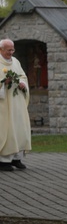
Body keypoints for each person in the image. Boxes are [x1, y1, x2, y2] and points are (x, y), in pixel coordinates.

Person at [0, 39, 31, 171]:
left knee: (19, 127)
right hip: (4, 103)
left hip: (17, 101)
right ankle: (3, 160)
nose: (11, 52)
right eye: (8, 50)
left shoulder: (16, 61)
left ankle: (16, 158)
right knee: (7, 129)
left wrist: (23, 83)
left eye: (13, 50)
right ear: (1, 49)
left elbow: (23, 76)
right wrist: (3, 84)